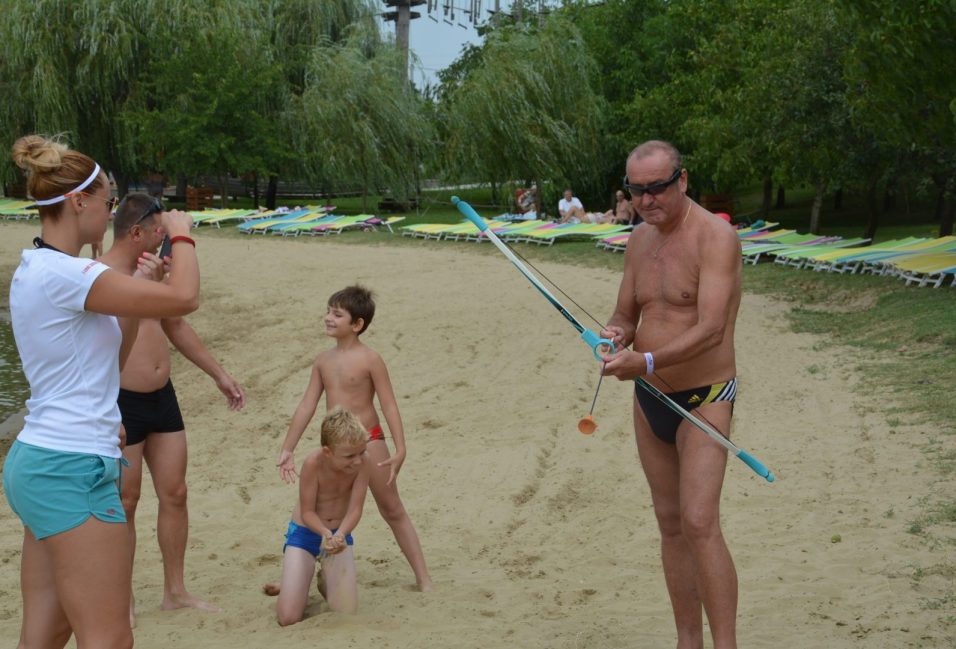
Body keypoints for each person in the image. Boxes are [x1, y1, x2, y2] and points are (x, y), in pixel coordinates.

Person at [3, 134, 199, 649]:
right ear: (77, 202)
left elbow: (106, 365)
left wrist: (134, 295)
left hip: (43, 460)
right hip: (72, 468)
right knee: (111, 639)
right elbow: (185, 297)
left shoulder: (38, 268)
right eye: (108, 201)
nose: (110, 212)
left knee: (46, 634)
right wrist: (181, 237)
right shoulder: (70, 275)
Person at [599, 140, 743, 649]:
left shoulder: (716, 237)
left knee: (699, 521)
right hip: (649, 398)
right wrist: (616, 336)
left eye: (657, 187)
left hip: (705, 397)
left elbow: (711, 328)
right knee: (670, 523)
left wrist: (646, 361)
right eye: (636, 190)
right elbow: (626, 313)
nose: (647, 200)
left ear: (682, 180)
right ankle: (688, 641)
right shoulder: (639, 240)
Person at [98, 192, 245, 624]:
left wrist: (219, 374)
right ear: (137, 231)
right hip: (122, 401)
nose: (164, 241)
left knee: (175, 493)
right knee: (126, 501)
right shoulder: (102, 276)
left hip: (162, 396)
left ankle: (175, 591)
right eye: (159, 232)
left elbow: (175, 324)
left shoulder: (154, 273)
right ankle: (121, 597)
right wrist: (144, 284)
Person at [276, 285, 433, 592]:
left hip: (369, 441)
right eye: (328, 312)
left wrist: (400, 448)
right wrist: (287, 448)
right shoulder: (322, 361)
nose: (328, 318)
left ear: (357, 324)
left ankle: (423, 577)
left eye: (337, 314)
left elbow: (388, 403)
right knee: (318, 509)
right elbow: (307, 404)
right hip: (335, 446)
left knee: (392, 508)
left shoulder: (370, 359)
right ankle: (299, 574)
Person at [264, 406, 370, 626]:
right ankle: (295, 582)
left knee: (346, 610)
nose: (358, 460)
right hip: (306, 533)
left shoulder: (363, 462)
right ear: (328, 452)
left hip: (339, 535)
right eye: (350, 456)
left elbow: (355, 509)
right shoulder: (313, 463)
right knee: (288, 618)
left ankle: (321, 580)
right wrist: (324, 533)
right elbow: (307, 511)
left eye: (361, 452)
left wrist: (339, 535)